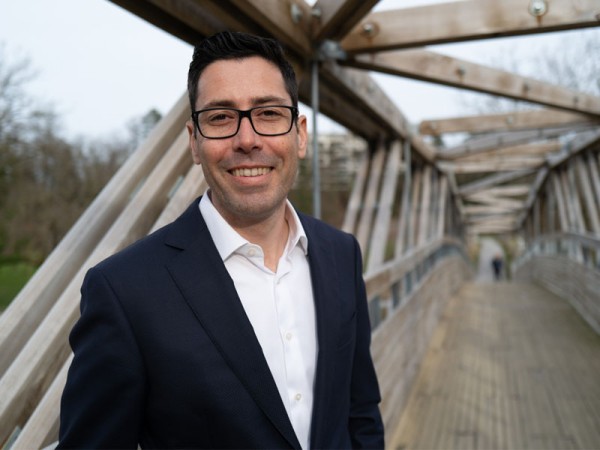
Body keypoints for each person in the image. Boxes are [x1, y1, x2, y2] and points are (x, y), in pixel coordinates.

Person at [58, 31, 384, 449]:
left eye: (269, 113)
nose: (247, 140)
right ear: (194, 142)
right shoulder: (124, 292)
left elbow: (360, 412)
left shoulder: (341, 254)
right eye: (220, 118)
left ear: (300, 134)